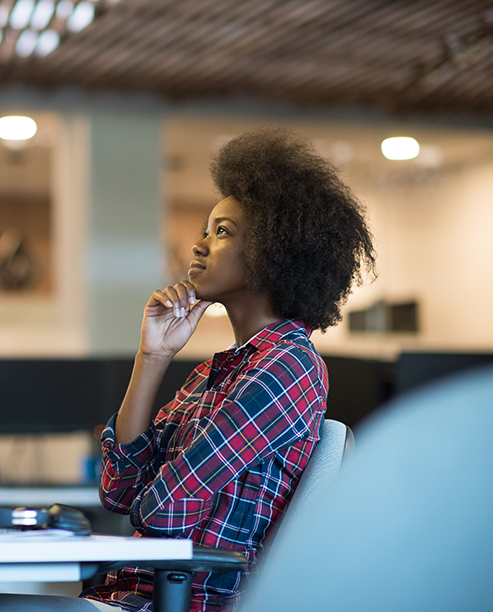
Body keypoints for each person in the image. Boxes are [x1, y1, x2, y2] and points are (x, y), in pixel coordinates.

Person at [80, 127, 376, 612]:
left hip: (179, 601)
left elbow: (164, 510)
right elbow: (118, 488)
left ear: (273, 254)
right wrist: (152, 357)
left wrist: (156, 489)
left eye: (221, 232)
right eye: (206, 229)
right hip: (129, 595)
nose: (198, 246)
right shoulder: (214, 374)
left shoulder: (289, 367)